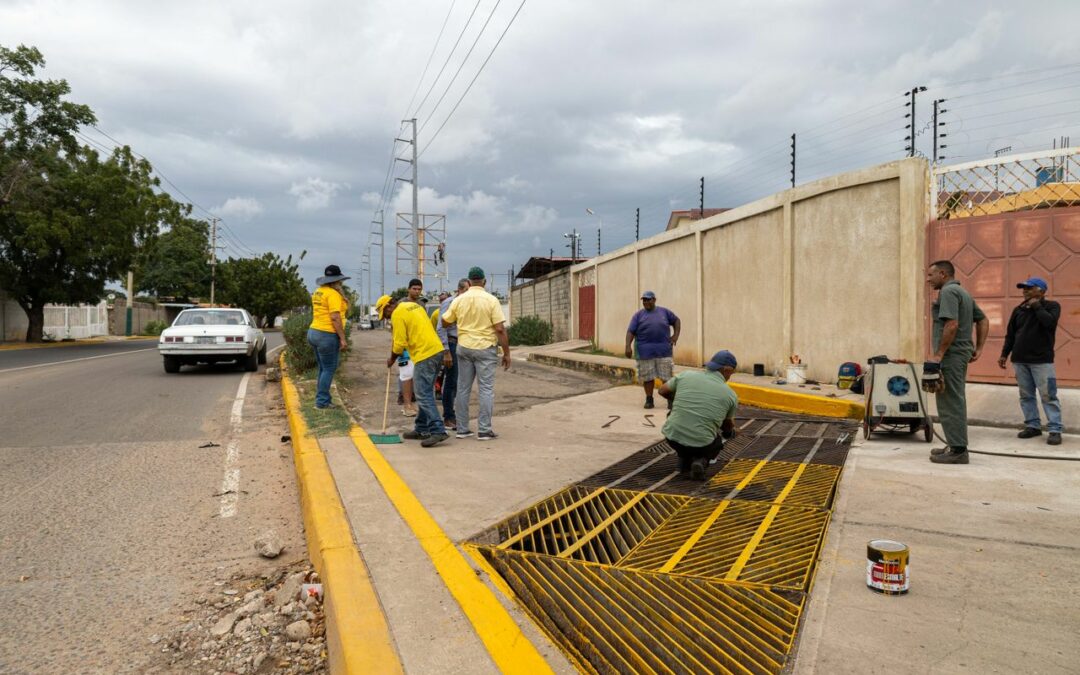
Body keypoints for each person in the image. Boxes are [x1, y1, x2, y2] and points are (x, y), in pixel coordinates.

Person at [926, 260, 989, 464]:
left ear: (943, 274)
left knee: (950, 400)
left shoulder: (948, 293)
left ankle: (959, 451)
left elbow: (951, 324)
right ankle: (954, 443)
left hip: (951, 355)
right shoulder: (964, 293)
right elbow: (983, 319)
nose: (928, 279)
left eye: (931, 275)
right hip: (959, 354)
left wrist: (938, 355)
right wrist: (978, 348)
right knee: (953, 398)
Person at [441, 267, 511, 441]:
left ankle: (463, 429)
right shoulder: (491, 300)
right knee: (486, 389)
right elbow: (500, 329)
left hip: (463, 347)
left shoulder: (459, 300)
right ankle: (484, 430)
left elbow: (444, 321)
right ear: (484, 281)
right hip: (485, 348)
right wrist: (507, 353)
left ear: (470, 282)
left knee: (463, 388)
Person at [375, 293, 449, 447]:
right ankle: (421, 428)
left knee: (422, 394)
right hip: (436, 350)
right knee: (426, 391)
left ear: (389, 306)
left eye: (385, 314)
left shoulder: (397, 314)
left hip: (425, 354)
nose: (387, 318)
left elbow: (400, 343)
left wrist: (392, 359)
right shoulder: (415, 306)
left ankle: (438, 430)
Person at [998, 277, 1063, 445]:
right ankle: (1033, 426)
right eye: (1023, 288)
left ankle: (1055, 429)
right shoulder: (1018, 310)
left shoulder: (1052, 306)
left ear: (1041, 291)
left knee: (1048, 395)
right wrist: (1004, 354)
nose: (1024, 291)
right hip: (1020, 360)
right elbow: (1011, 335)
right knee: (1026, 396)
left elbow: (1049, 323)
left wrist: (1036, 306)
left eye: (1029, 288)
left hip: (1042, 361)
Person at [657, 350, 740, 480]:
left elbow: (662, 390)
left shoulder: (686, 375)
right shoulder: (730, 395)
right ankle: (701, 461)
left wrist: (676, 400)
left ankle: (684, 460)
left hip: (672, 437)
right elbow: (726, 426)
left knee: (675, 416)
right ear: (727, 370)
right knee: (717, 440)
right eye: (732, 373)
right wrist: (731, 432)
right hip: (702, 444)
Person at [625, 291, 681, 409]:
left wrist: (675, 336)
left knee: (666, 377)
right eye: (644, 300)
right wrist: (627, 346)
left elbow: (676, 321)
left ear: (654, 300)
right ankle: (649, 399)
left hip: (664, 351)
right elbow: (630, 331)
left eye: (648, 299)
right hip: (645, 353)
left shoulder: (664, 312)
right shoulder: (638, 315)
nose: (646, 302)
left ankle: (670, 400)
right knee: (648, 377)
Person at [307, 264, 350, 410]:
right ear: (337, 280)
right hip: (326, 334)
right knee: (329, 368)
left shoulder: (318, 291)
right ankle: (322, 402)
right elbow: (335, 317)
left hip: (314, 331)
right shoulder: (333, 295)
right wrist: (343, 338)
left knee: (323, 368)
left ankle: (323, 398)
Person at [436, 279, 469, 430]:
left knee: (460, 382)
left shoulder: (466, 302)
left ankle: (456, 416)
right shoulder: (449, 303)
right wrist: (446, 351)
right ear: (460, 289)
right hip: (451, 343)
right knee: (451, 381)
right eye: (467, 291)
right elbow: (441, 327)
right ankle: (448, 417)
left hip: (463, 344)